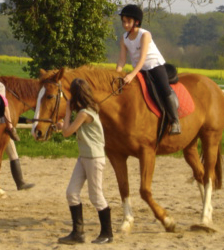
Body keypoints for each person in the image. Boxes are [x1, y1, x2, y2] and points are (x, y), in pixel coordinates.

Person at [56, 78, 113, 245]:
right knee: (71, 193)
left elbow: (67, 133)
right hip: (84, 157)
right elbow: (69, 129)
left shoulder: (84, 113)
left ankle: (107, 233)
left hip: (94, 158)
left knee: (96, 196)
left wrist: (67, 111)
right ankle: (77, 233)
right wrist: (64, 125)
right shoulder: (86, 111)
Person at [116, 4, 180, 135]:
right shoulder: (124, 38)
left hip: (154, 66)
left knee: (163, 88)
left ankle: (175, 121)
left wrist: (131, 75)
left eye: (128, 21)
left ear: (136, 22)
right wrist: (115, 74)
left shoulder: (145, 35)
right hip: (140, 70)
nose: (125, 24)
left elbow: (142, 59)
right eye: (123, 21)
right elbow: (122, 60)